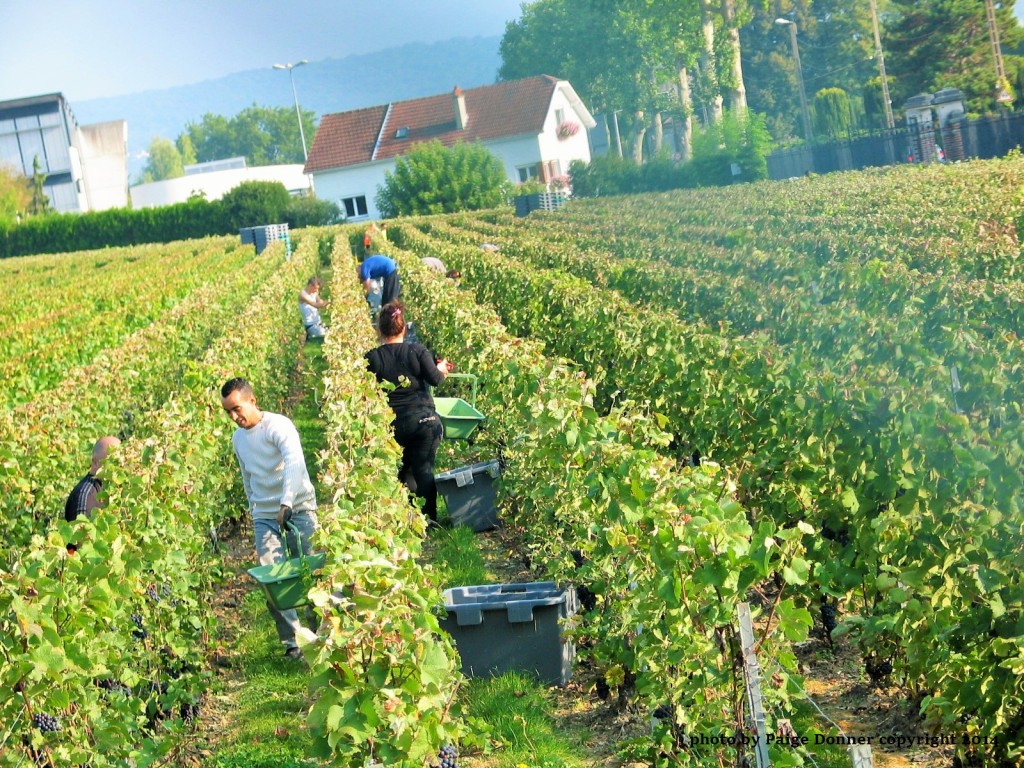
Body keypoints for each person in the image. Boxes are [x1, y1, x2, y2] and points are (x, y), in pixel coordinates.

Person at [220, 378, 318, 659]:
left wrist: (286, 501)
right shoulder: (239, 439)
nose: (234, 417)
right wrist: (255, 510)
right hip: (265, 514)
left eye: (237, 408)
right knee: (271, 576)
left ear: (252, 400)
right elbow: (247, 476)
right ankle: (293, 642)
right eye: (228, 412)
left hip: (297, 506)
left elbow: (295, 463)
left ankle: (322, 634)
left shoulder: (278, 426)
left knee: (311, 567)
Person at [365, 301, 452, 524]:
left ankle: (399, 519)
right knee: (423, 469)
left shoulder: (372, 358)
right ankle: (430, 520)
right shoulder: (418, 350)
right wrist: (441, 368)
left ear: (379, 329)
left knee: (399, 470)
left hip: (393, 424)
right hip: (426, 421)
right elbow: (435, 378)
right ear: (404, 328)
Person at [65, 435, 121, 523]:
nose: (118, 467)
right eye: (112, 462)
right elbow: (82, 533)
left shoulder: (112, 489)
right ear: (95, 463)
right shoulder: (86, 495)